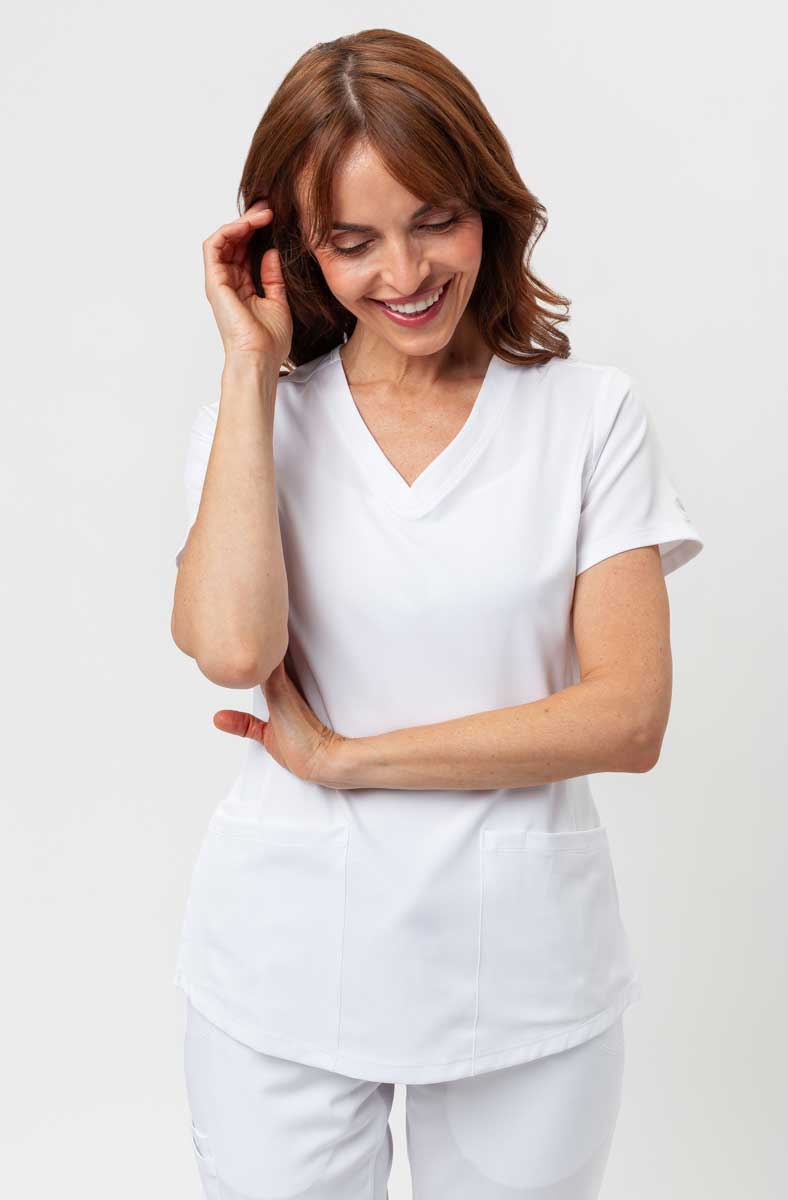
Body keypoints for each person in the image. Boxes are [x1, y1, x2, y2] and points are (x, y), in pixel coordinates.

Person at [171, 28, 704, 1200]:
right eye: (350, 241)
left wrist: (346, 760)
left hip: (523, 973)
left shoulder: (587, 417)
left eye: (433, 221)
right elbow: (232, 646)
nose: (403, 273)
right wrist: (249, 369)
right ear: (293, 249)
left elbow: (626, 718)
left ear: (487, 210)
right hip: (284, 962)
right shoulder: (253, 422)